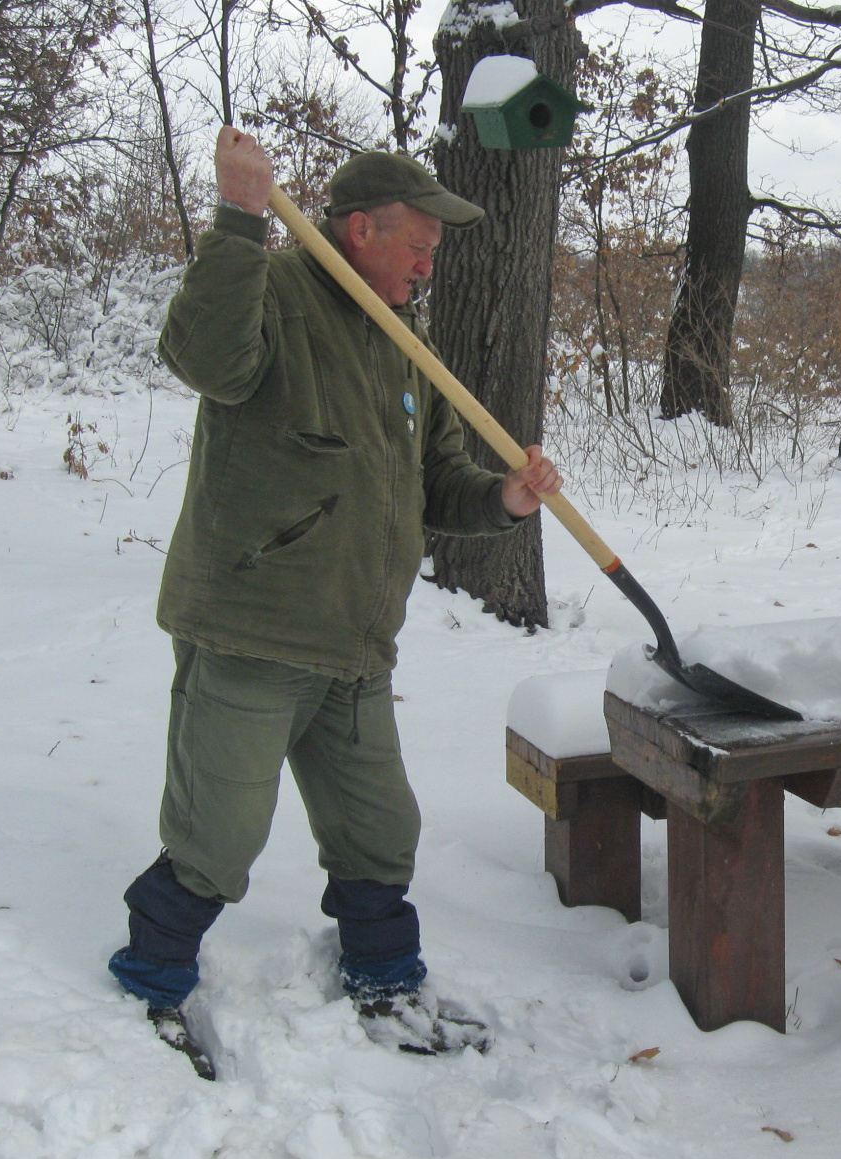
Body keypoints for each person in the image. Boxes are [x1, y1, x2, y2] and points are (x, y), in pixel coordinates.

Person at [107, 128, 560, 1075]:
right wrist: (235, 221)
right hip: (255, 629)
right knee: (216, 833)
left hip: (356, 644)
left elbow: (438, 482)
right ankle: (150, 983)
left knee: (379, 828)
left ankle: (386, 981)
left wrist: (505, 498)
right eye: (418, 243)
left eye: (435, 248)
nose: (430, 261)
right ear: (360, 229)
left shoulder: (406, 346)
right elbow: (203, 358)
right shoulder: (273, 295)